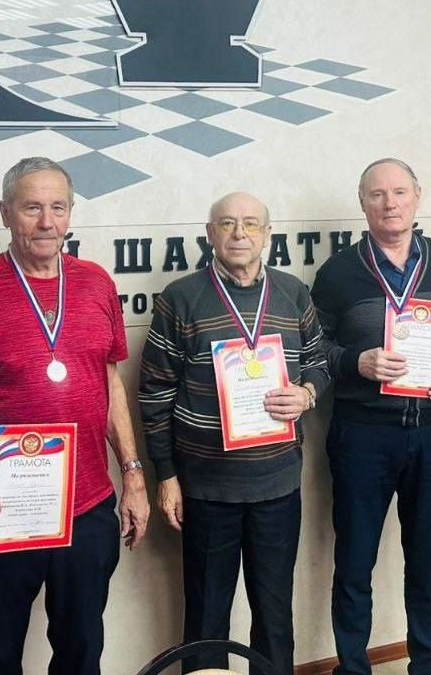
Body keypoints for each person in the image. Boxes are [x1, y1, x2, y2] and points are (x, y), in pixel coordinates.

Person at [0, 156, 150, 675]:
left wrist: (132, 475)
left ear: (70, 214)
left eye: (58, 208)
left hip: (87, 508)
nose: (46, 222)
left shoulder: (97, 284)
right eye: (31, 208)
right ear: (5, 213)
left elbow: (109, 383)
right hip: (1, 510)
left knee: (82, 652)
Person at [139, 192, 331, 675]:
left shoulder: (293, 293)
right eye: (227, 223)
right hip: (206, 489)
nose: (239, 233)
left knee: (275, 615)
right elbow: (155, 392)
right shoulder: (181, 297)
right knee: (207, 620)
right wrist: (166, 476)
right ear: (210, 234)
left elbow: (320, 362)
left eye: (250, 224)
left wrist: (307, 393)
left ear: (268, 234)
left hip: (277, 486)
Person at [310, 158, 431, 675]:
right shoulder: (337, 272)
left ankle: (430, 667)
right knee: (354, 561)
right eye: (378, 194)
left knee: (428, 560)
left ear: (417, 197)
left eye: (400, 192)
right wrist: (354, 362)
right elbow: (312, 347)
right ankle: (352, 668)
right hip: (362, 435)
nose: (390, 204)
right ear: (362, 203)